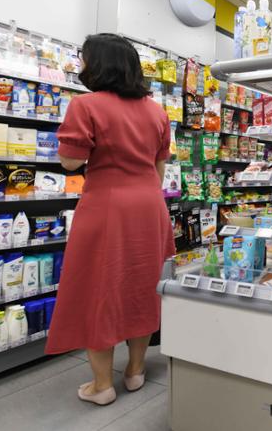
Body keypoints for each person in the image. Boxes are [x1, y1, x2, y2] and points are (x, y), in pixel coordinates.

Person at [45, 33, 175, 405]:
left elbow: (71, 162)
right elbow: (159, 169)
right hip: (149, 206)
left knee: (97, 290)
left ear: (98, 64)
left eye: (84, 58)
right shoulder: (157, 111)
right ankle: (135, 371)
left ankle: (102, 385)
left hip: (106, 207)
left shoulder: (85, 105)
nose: (81, 64)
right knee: (142, 288)